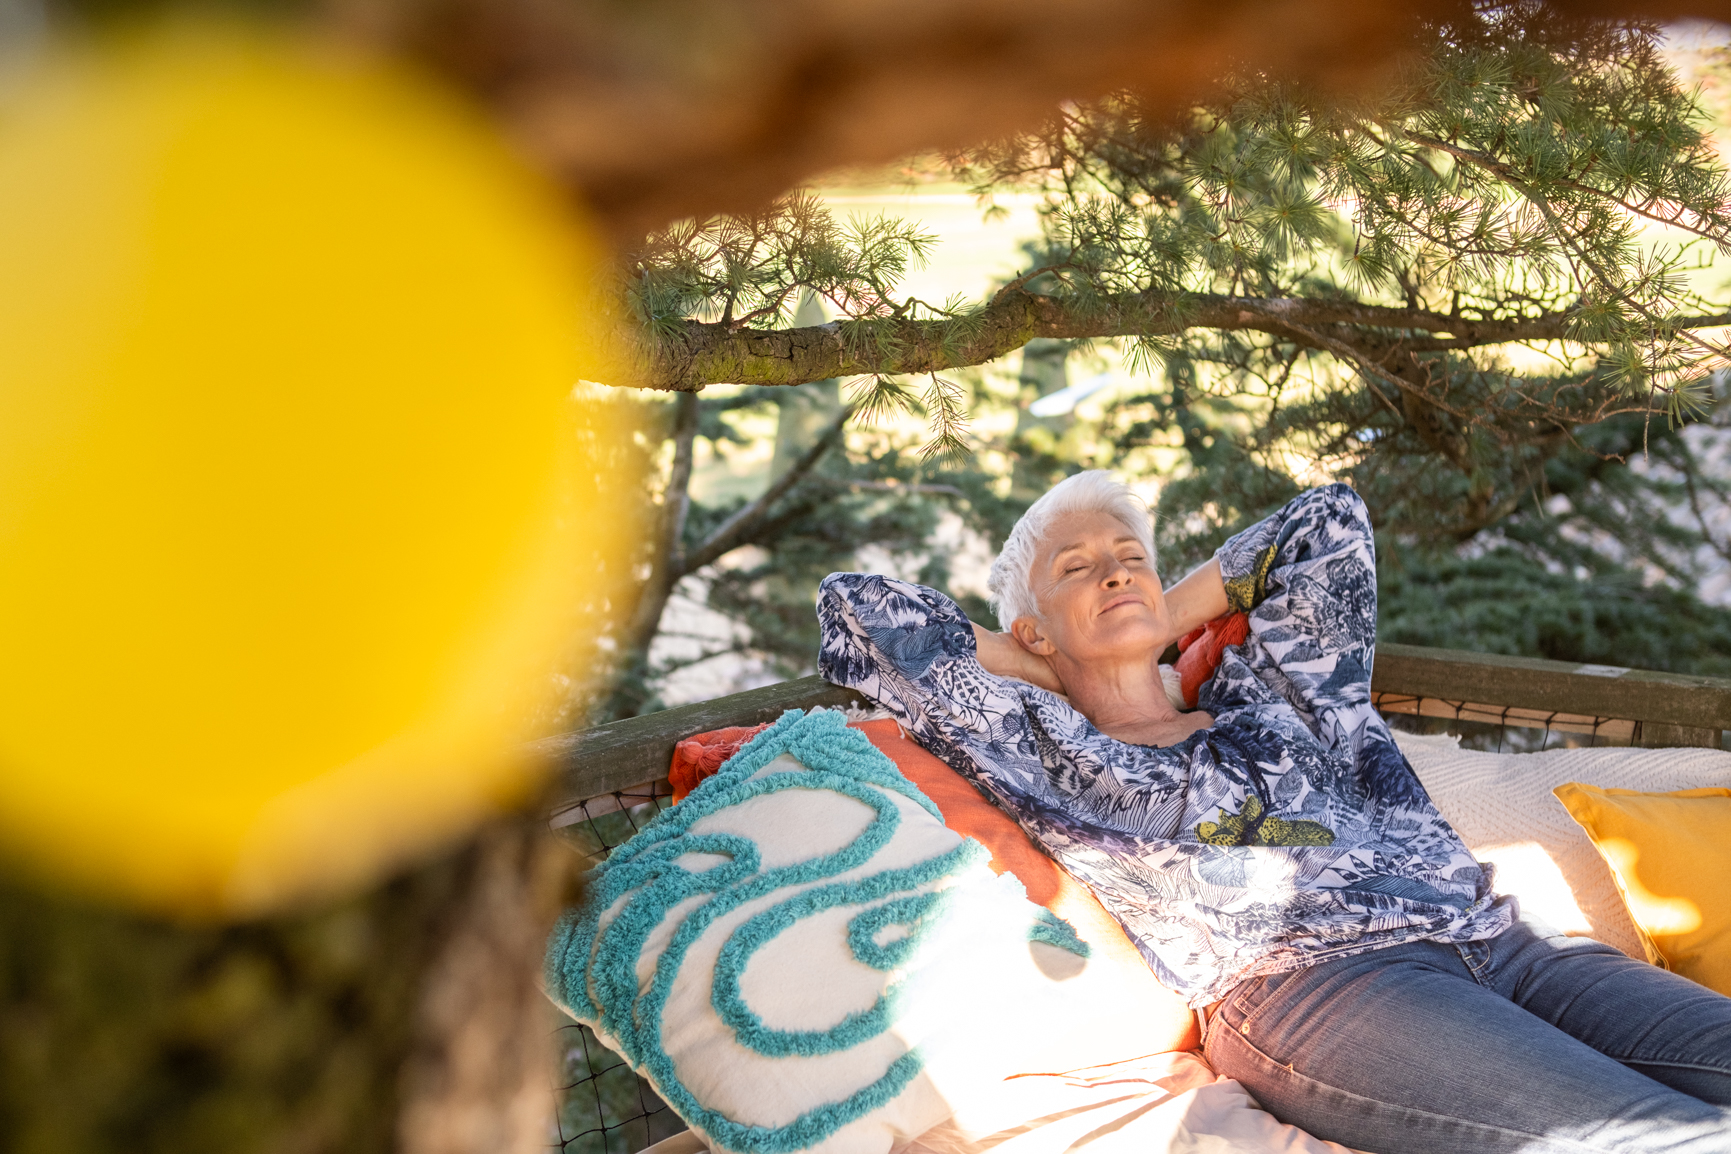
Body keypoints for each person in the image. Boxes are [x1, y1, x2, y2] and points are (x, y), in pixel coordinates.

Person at [816, 472, 1731, 1154]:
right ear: (1031, 629)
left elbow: (1327, 521)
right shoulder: (1053, 751)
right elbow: (856, 612)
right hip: (1323, 993)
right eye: (1078, 568)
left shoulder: (1280, 691)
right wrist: (1048, 663)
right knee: (1671, 1140)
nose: (1116, 574)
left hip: (1502, 940)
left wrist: (1153, 615)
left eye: (1131, 558)